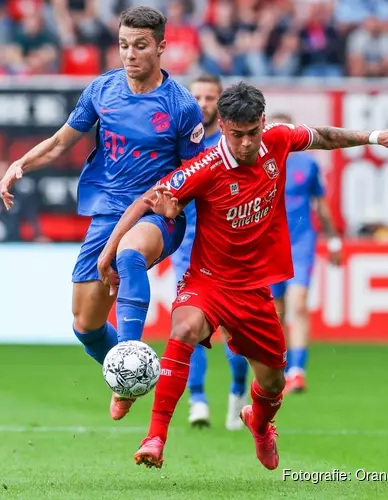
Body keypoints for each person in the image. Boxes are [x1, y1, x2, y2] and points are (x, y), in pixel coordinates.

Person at [98, 82, 388, 469]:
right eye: (237, 135)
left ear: (263, 122)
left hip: (254, 289)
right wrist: (109, 252)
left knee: (272, 384)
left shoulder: (277, 139)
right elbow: (146, 201)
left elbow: (322, 136)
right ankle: (156, 437)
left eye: (253, 133)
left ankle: (259, 422)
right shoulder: (204, 168)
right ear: (223, 125)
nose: (247, 143)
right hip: (208, 281)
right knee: (183, 328)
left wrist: (375, 137)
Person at [0, 6, 206, 420]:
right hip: (107, 211)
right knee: (85, 325)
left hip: (157, 213)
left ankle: (130, 354)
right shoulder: (102, 90)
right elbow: (60, 142)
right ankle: (126, 377)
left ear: (162, 47)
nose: (130, 54)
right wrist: (20, 163)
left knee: (128, 254)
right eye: (124, 45)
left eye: (141, 46)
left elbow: (195, 172)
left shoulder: (182, 106)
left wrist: (175, 202)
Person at [174, 74, 250, 431]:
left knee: (235, 336)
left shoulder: (235, 145)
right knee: (188, 328)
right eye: (197, 97)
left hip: (230, 254)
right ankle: (198, 399)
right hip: (188, 249)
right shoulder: (179, 144)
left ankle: (237, 394)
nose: (202, 104)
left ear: (220, 104)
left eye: (209, 98)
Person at [266, 112, 342, 395]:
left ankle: (297, 371)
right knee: (276, 310)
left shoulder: (307, 164)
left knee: (298, 304)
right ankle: (279, 369)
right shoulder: (260, 163)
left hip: (300, 243)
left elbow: (321, 204)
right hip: (268, 245)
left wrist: (333, 241)